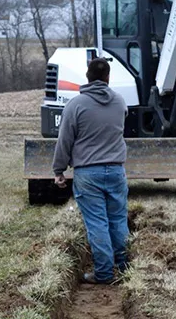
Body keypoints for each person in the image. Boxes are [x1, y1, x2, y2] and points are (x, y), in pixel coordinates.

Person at [52, 58, 129, 284]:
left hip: (88, 173)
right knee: (118, 220)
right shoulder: (119, 102)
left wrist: (59, 170)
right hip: (116, 171)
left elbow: (64, 140)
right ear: (108, 78)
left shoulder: (76, 105)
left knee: (97, 223)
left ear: (87, 77)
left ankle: (104, 274)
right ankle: (125, 270)